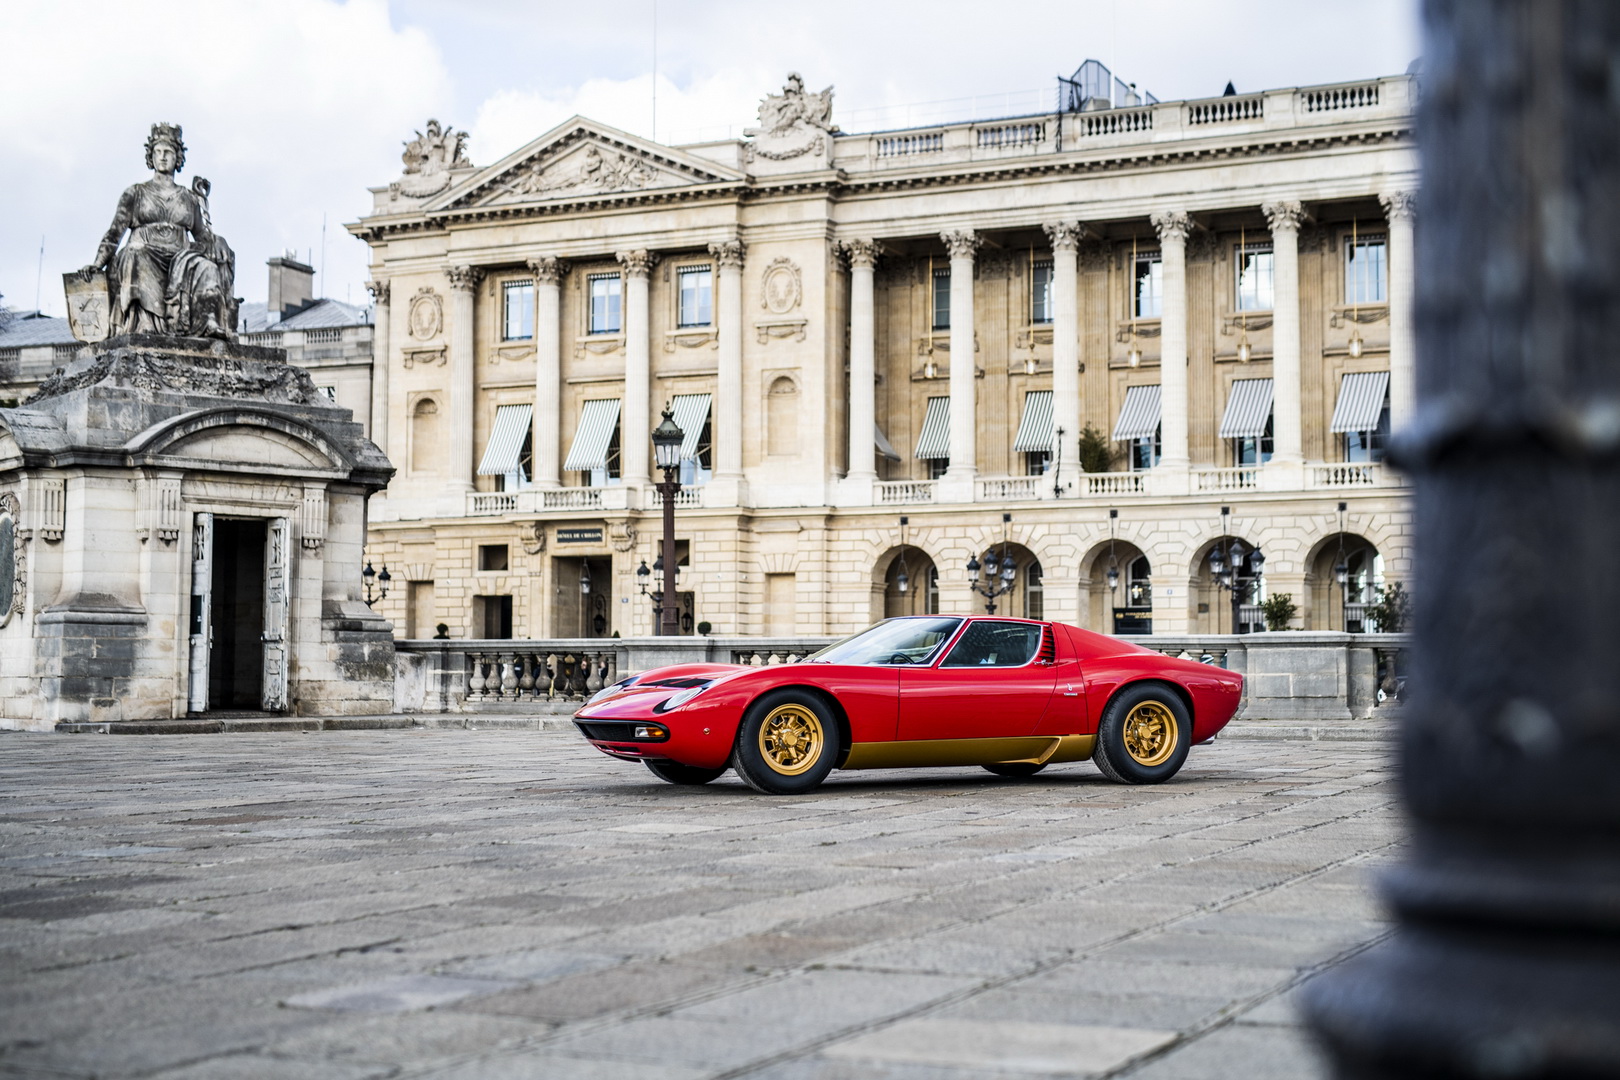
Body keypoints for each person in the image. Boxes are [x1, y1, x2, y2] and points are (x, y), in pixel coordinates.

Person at [80, 123, 236, 339]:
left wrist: (217, 240)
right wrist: (97, 264)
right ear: (151, 157)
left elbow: (202, 237)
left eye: (168, 152)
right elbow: (114, 235)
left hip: (179, 258)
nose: (163, 157)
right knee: (136, 251)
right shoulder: (135, 193)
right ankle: (146, 323)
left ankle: (206, 321)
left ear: (178, 158)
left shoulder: (189, 198)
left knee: (207, 266)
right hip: (145, 253)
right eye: (158, 152)